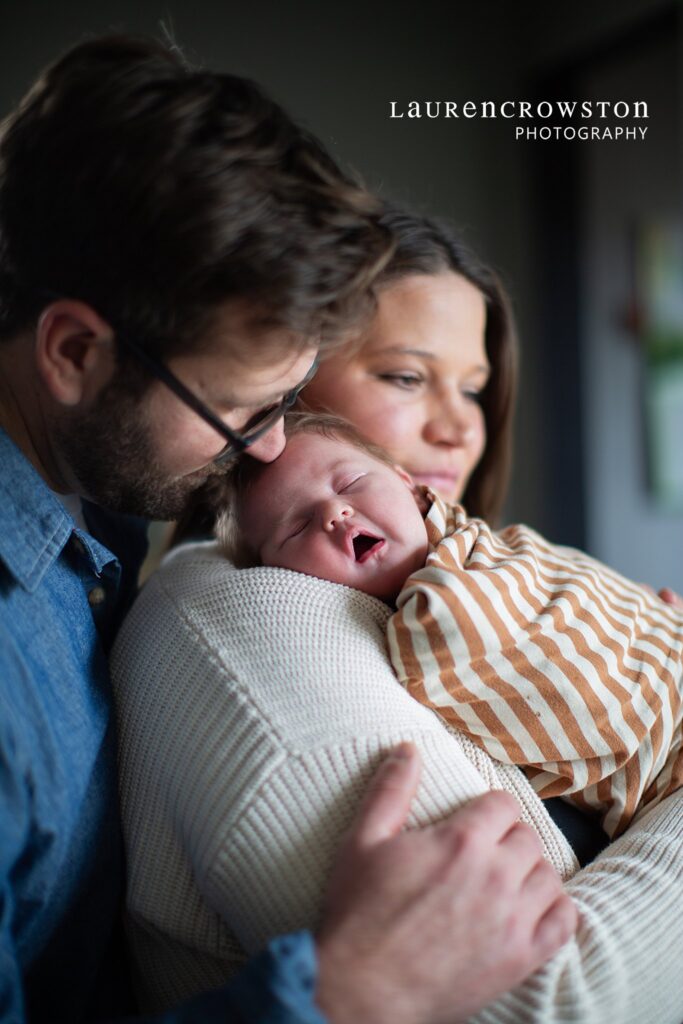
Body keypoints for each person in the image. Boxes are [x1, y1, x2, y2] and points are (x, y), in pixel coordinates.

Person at [0, 33, 577, 1024]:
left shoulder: (95, 500)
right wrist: (350, 990)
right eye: (246, 407)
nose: (269, 451)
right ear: (75, 351)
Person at [112, 215, 683, 1023]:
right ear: (285, 383)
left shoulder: (456, 580)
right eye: (406, 377)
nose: (458, 426)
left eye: (474, 387)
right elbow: (541, 1002)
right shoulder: (252, 619)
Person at [218, 411, 683, 841]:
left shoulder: (476, 542)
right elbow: (447, 633)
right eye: (296, 528)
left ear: (411, 486)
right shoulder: (432, 615)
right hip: (667, 757)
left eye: (352, 482)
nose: (333, 513)